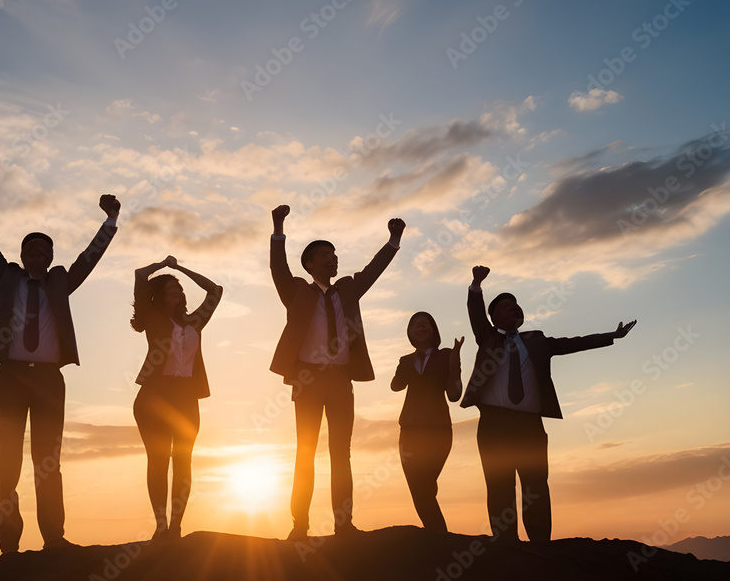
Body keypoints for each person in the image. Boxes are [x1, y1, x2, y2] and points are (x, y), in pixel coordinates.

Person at [0, 177, 120, 554]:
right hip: (12, 377)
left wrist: (111, 221)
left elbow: (89, 257)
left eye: (43, 252)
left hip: (50, 380)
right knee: (8, 460)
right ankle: (9, 544)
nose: (36, 257)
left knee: (48, 461)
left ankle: (53, 537)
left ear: (50, 257)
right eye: (30, 251)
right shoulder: (6, 276)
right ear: (22, 256)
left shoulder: (61, 281)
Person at [462, 265, 637, 541]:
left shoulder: (537, 340)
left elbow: (573, 343)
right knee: (499, 486)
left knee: (536, 486)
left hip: (530, 426)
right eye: (506, 306)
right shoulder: (488, 338)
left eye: (516, 305)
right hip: (494, 425)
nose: (514, 309)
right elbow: (475, 314)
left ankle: (541, 544)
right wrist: (476, 285)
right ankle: (506, 545)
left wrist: (610, 336)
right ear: (493, 318)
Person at [268, 205, 406, 539]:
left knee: (341, 453)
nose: (333, 258)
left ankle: (343, 524)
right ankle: (299, 526)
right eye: (326, 255)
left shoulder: (348, 289)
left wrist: (393, 240)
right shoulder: (297, 290)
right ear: (311, 264)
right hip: (308, 379)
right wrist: (278, 226)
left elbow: (372, 271)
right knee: (306, 452)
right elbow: (278, 268)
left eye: (335, 254)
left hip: (341, 379)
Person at [130, 256, 223, 541]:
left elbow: (215, 290)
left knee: (183, 460)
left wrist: (180, 269)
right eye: (173, 290)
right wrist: (162, 265)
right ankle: (160, 527)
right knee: (158, 460)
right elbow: (140, 274)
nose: (180, 294)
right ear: (160, 297)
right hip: (154, 396)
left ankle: (176, 527)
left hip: (186, 397)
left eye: (180, 290)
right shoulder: (152, 318)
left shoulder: (195, 321)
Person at [390, 312, 463, 533]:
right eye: (415, 325)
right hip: (410, 430)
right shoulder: (406, 361)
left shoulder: (447, 356)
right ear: (410, 333)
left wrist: (455, 364)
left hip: (438, 430)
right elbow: (395, 386)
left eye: (425, 324)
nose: (420, 327)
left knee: (426, 485)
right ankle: (438, 535)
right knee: (418, 487)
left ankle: (439, 537)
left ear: (433, 329)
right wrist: (404, 368)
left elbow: (454, 395)